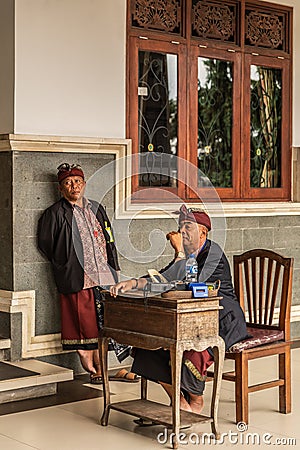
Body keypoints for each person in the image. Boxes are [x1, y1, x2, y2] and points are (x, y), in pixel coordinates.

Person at [110, 204, 248, 413]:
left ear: (203, 232)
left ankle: (196, 401)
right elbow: (165, 277)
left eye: (187, 227)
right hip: (190, 317)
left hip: (221, 316)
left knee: (192, 352)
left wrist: (180, 253)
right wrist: (134, 283)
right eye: (180, 226)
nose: (181, 231)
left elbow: (188, 285)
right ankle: (179, 402)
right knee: (150, 347)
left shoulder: (213, 254)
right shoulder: (188, 255)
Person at [37, 163, 140, 384]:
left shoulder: (97, 208)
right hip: (77, 278)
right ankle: (96, 369)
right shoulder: (54, 213)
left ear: (84, 184)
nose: (73, 186)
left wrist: (114, 268)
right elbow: (46, 244)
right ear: (60, 188)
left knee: (108, 323)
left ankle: (106, 368)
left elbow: (109, 238)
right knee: (86, 325)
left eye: (77, 181)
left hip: (104, 277)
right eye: (68, 182)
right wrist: (66, 264)